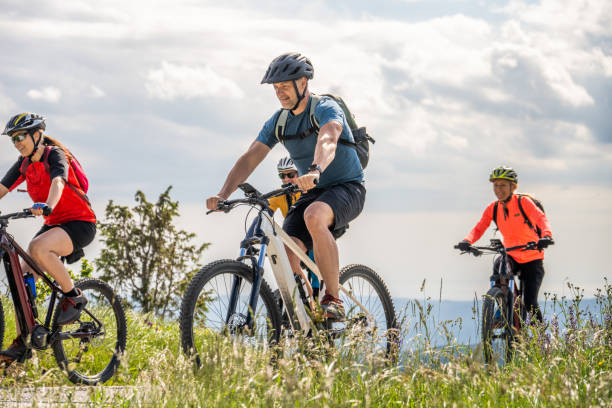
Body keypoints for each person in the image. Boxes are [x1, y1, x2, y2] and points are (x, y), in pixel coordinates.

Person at [206, 52, 366, 320]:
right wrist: (223, 194)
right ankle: (309, 317)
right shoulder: (279, 121)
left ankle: (333, 298)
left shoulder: (325, 108)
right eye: (276, 88)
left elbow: (328, 138)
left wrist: (315, 170)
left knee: (314, 215)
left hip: (347, 187)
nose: (279, 93)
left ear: (302, 83)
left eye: (284, 87)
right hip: (314, 191)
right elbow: (251, 156)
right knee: (286, 249)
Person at [0, 113, 96, 363]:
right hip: (54, 225)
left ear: (37, 135)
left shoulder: (55, 154)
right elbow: (1, 188)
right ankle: (26, 339)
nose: (17, 142)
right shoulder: (23, 163)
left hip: (79, 223)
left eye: (21, 136)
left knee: (37, 247)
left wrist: (48, 204)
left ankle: (74, 297)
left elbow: (58, 181)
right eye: (13, 139)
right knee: (21, 277)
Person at [456, 166, 554, 322]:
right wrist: (467, 241)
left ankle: (542, 341)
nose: (498, 189)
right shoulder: (493, 208)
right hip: (512, 255)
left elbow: (541, 219)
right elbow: (479, 227)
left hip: (532, 257)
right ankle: (503, 305)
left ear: (512, 186)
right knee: (499, 264)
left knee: (530, 303)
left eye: (502, 185)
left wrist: (546, 236)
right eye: (496, 185)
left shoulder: (524, 202)